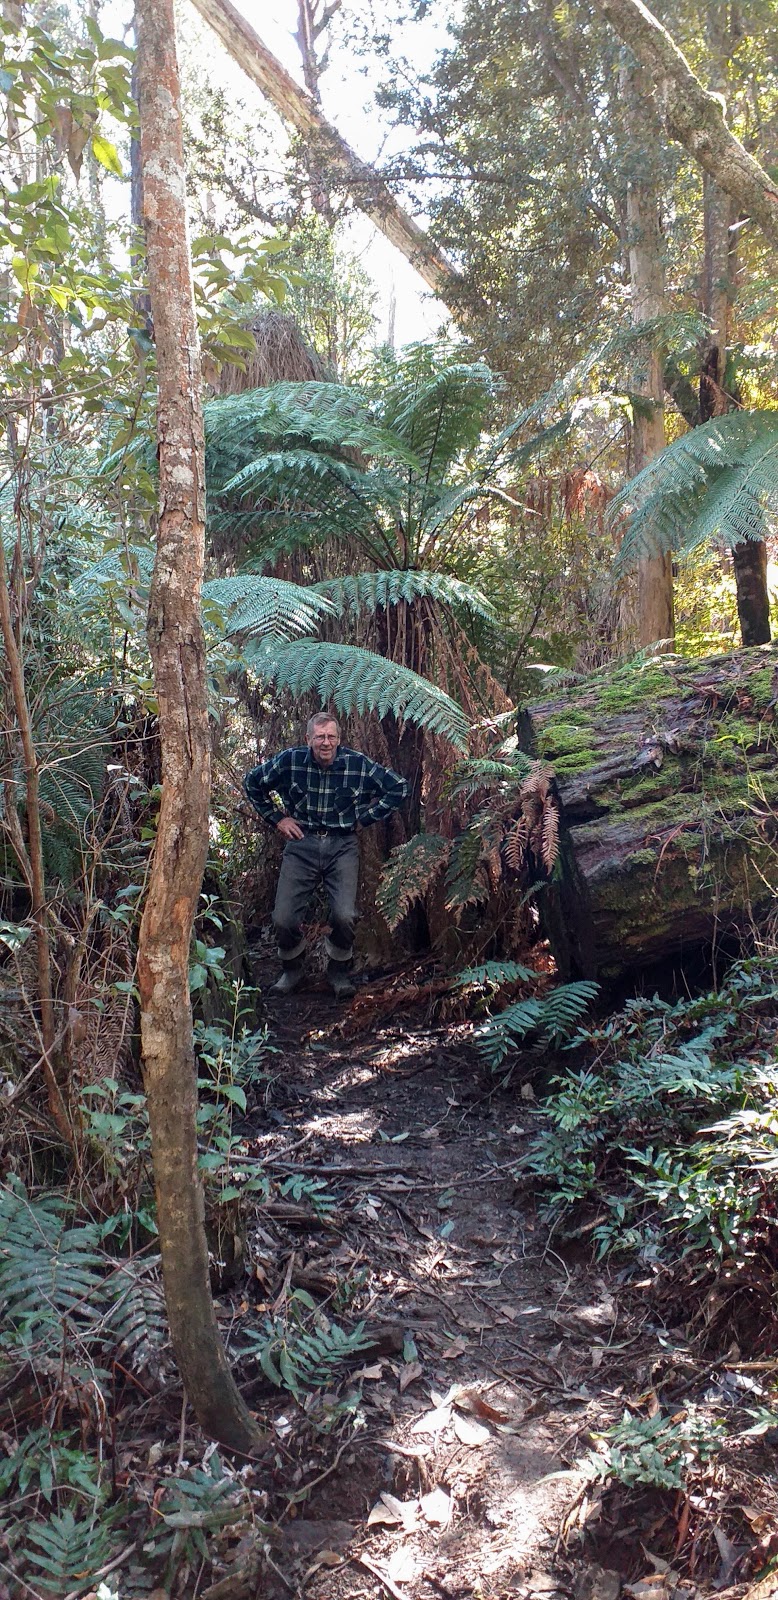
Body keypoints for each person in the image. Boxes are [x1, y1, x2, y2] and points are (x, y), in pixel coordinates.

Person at [244, 713, 408, 999]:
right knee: (283, 918)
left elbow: (398, 787)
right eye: (319, 737)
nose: (326, 742)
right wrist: (278, 820)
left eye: (331, 736)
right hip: (301, 844)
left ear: (339, 739)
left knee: (345, 916)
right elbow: (252, 783)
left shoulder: (356, 764)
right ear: (308, 739)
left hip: (342, 846)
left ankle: (338, 971)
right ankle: (292, 968)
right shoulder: (290, 761)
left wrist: (366, 817)